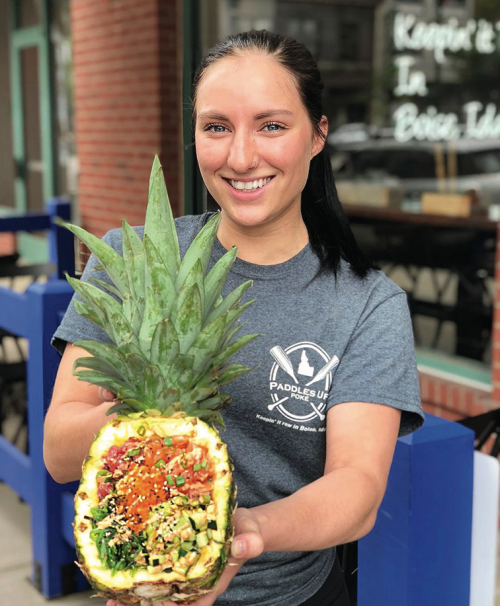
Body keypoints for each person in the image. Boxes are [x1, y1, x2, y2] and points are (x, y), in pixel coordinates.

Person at [44, 30, 424, 606]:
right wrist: (150, 421)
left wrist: (245, 536)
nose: (240, 157)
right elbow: (57, 452)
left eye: (271, 126)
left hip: (292, 593)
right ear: (195, 135)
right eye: (216, 127)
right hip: (136, 570)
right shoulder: (134, 263)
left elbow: (359, 489)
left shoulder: (368, 305)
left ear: (317, 135)